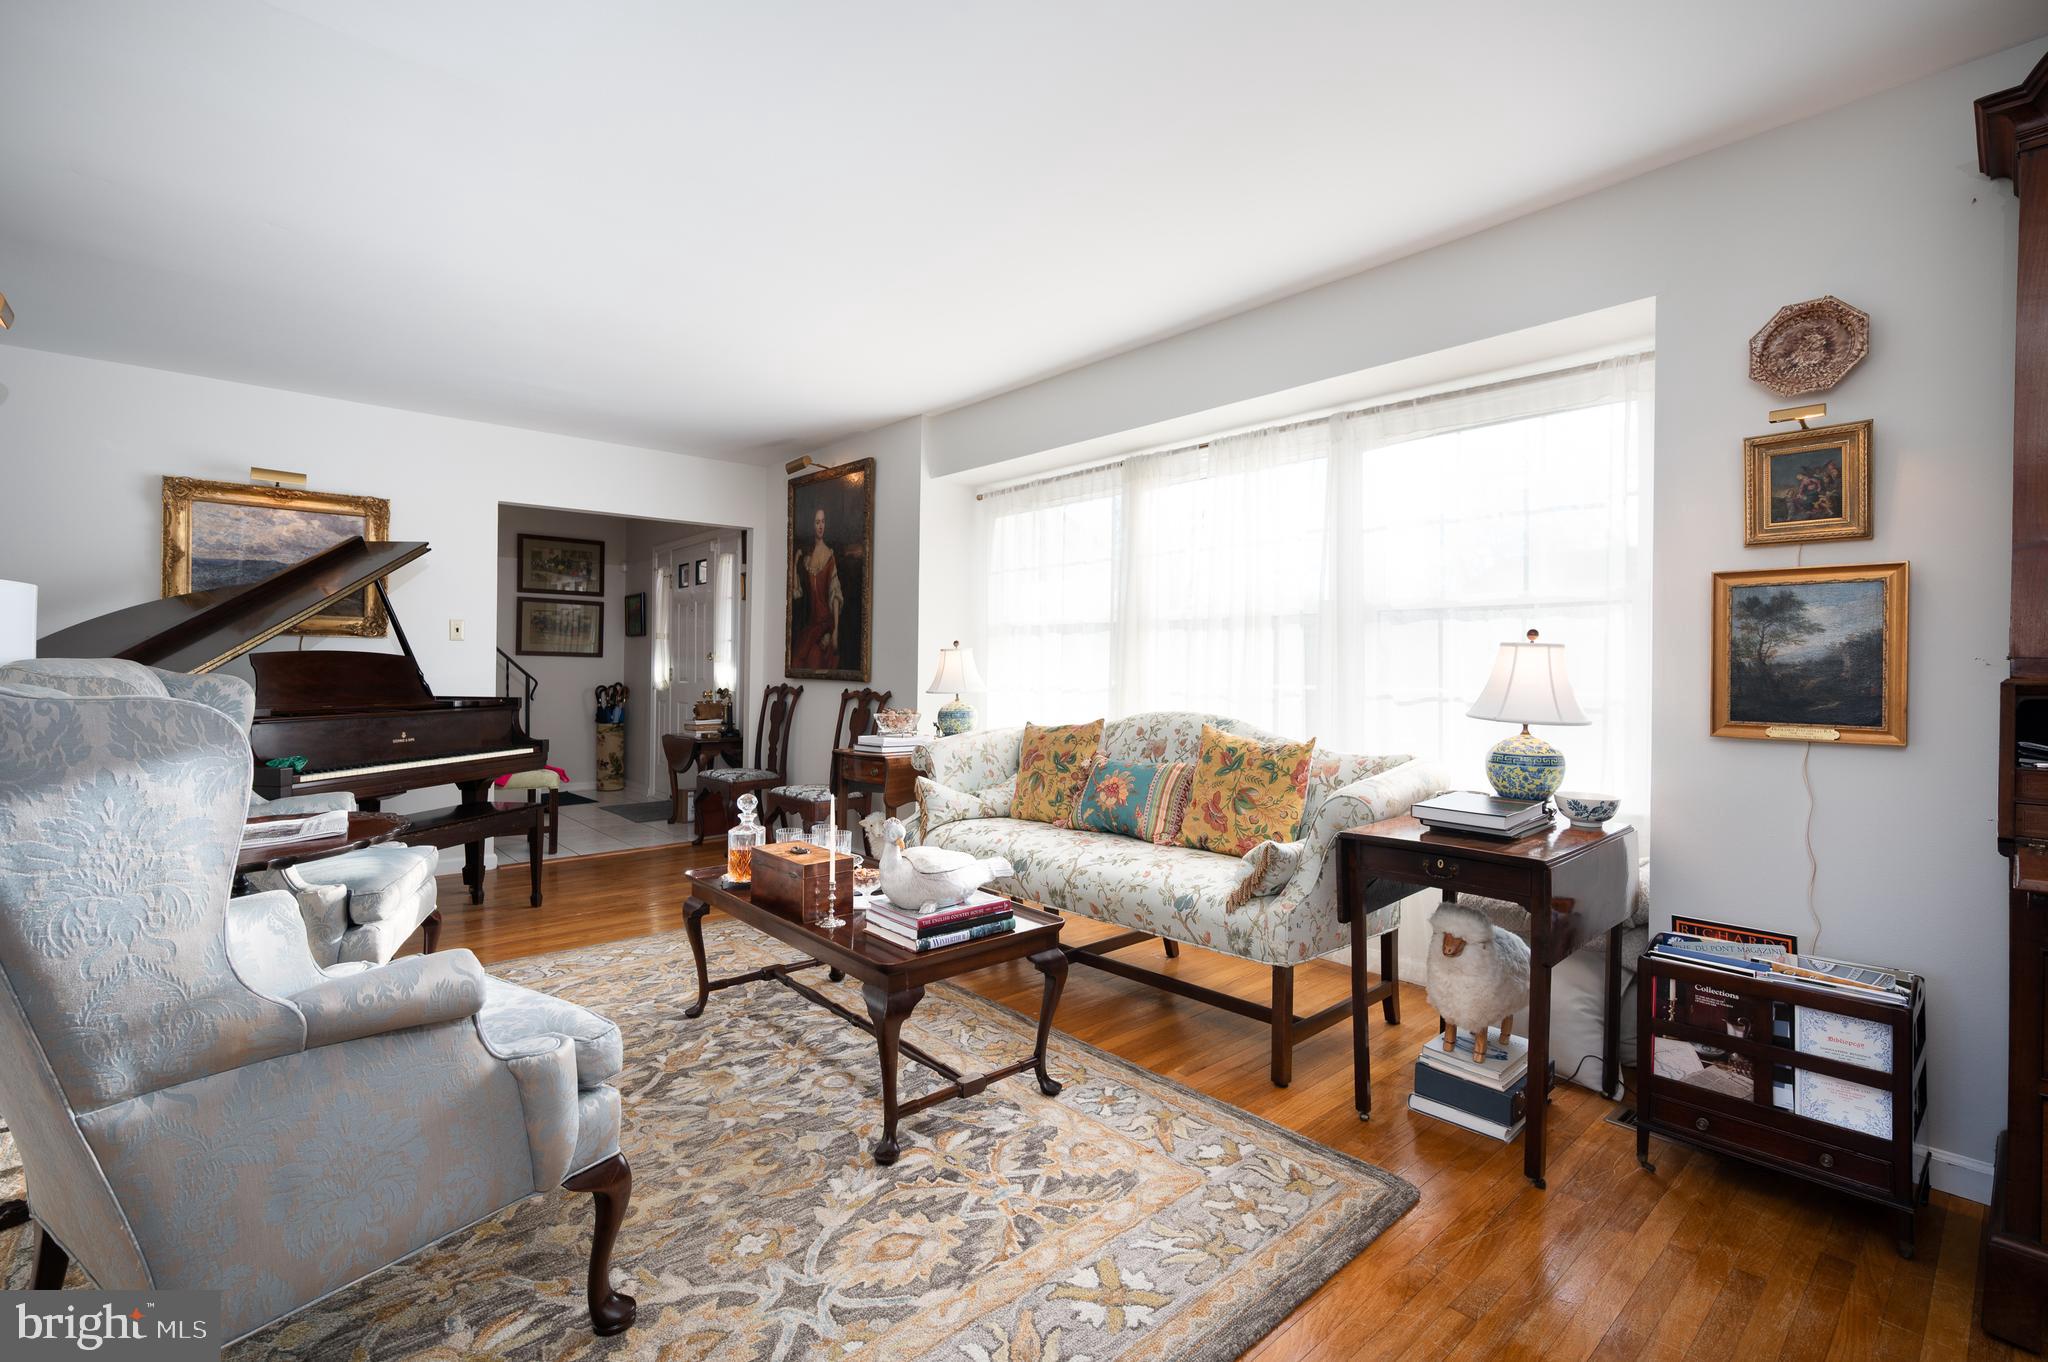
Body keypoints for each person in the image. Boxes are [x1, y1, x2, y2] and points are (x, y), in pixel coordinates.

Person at [790, 505, 843, 670]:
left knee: (813, 659)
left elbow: (835, 595)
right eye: (817, 522)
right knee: (798, 661)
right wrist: (794, 562)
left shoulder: (829, 557)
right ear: (811, 525)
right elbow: (797, 594)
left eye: (823, 522)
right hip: (812, 625)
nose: (820, 526)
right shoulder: (806, 559)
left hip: (825, 624)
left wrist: (834, 632)